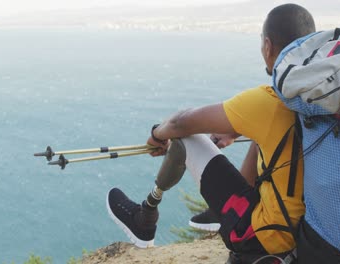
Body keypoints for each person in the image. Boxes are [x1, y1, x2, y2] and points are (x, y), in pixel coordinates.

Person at [106, 4, 314, 262]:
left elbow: (183, 122)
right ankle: (225, 210)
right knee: (263, 140)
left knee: (186, 136)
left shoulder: (272, 100)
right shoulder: (320, 96)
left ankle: (145, 218)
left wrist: (158, 135)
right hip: (314, 230)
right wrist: (235, 131)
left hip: (266, 236)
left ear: (268, 46)